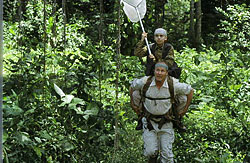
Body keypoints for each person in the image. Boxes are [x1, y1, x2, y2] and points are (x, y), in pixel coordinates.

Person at [129, 62, 194, 163]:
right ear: (154, 71)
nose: (159, 73)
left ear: (166, 73)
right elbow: (132, 86)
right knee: (151, 152)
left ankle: (178, 120)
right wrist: (133, 104)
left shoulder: (173, 84)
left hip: (167, 122)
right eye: (157, 70)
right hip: (149, 121)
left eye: (162, 71)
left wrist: (184, 110)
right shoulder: (145, 82)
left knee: (167, 155)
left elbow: (190, 91)